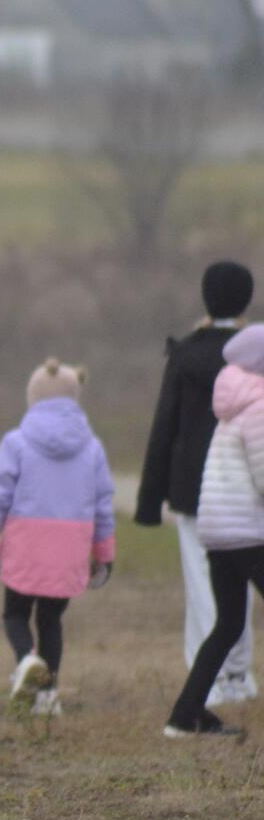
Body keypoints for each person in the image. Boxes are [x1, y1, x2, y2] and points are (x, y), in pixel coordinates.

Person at [137, 263, 257, 706]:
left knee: (202, 584)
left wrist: (149, 502)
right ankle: (239, 677)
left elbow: (164, 428)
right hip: (248, 487)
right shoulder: (256, 355)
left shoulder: (186, 354)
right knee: (243, 587)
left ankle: (210, 683)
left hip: (192, 490)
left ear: (206, 297)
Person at [0, 359, 116, 715]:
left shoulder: (16, 442)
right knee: (51, 621)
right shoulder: (92, 448)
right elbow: (103, 505)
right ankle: (48, 695)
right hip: (70, 550)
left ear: (33, 397)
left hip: (26, 545)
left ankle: (26, 661)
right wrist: (104, 552)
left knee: (15, 614)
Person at [164, 325, 264, 738]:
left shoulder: (231, 406)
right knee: (228, 624)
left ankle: (185, 716)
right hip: (250, 534)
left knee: (228, 625)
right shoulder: (258, 407)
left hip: (220, 533)